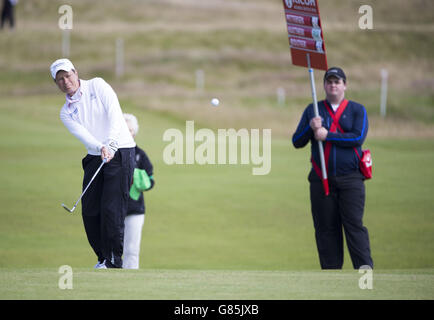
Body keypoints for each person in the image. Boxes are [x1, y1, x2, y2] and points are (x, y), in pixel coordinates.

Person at [50, 58, 136, 269]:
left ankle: (113, 260)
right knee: (89, 211)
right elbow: (84, 135)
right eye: (59, 79)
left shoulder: (97, 85)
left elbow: (115, 114)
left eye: (67, 75)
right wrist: (100, 148)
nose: (65, 81)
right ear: (56, 83)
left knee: (111, 208)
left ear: (75, 73)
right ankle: (102, 257)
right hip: (95, 154)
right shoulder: (66, 112)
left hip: (121, 149)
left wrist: (111, 143)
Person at [292, 67, 373, 269]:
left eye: (337, 82)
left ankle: (364, 273)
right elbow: (296, 141)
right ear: (324, 85)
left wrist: (328, 135)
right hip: (321, 180)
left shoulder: (357, 109)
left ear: (345, 85)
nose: (333, 85)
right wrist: (310, 127)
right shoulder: (313, 110)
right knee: (326, 229)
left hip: (351, 178)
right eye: (329, 81)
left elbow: (357, 137)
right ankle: (331, 276)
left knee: (354, 226)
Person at [122, 113, 155, 269]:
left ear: (133, 132)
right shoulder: (111, 153)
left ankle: (130, 281)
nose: (127, 132)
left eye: (129, 129)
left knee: (132, 250)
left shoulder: (140, 155)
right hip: (113, 207)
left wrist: (138, 178)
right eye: (123, 128)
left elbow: (151, 181)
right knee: (111, 247)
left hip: (135, 209)